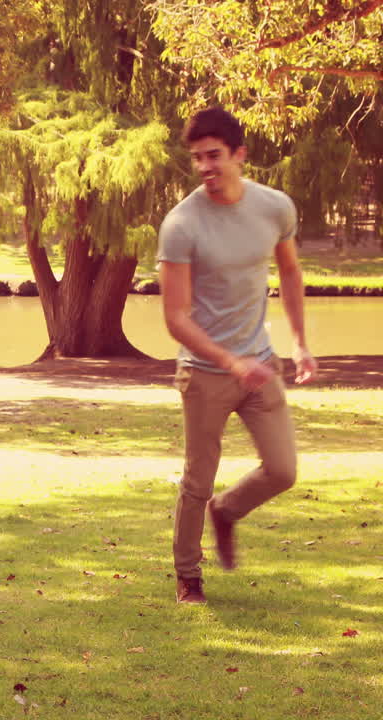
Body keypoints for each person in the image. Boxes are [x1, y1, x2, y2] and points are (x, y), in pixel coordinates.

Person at [157, 106, 317, 605]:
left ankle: (227, 512)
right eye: (197, 158)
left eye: (214, 155)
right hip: (204, 373)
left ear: (239, 154)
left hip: (261, 363)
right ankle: (188, 576)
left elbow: (289, 274)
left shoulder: (274, 208)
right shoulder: (181, 225)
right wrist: (231, 363)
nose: (205, 166)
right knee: (197, 478)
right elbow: (176, 318)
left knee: (283, 471)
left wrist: (299, 342)